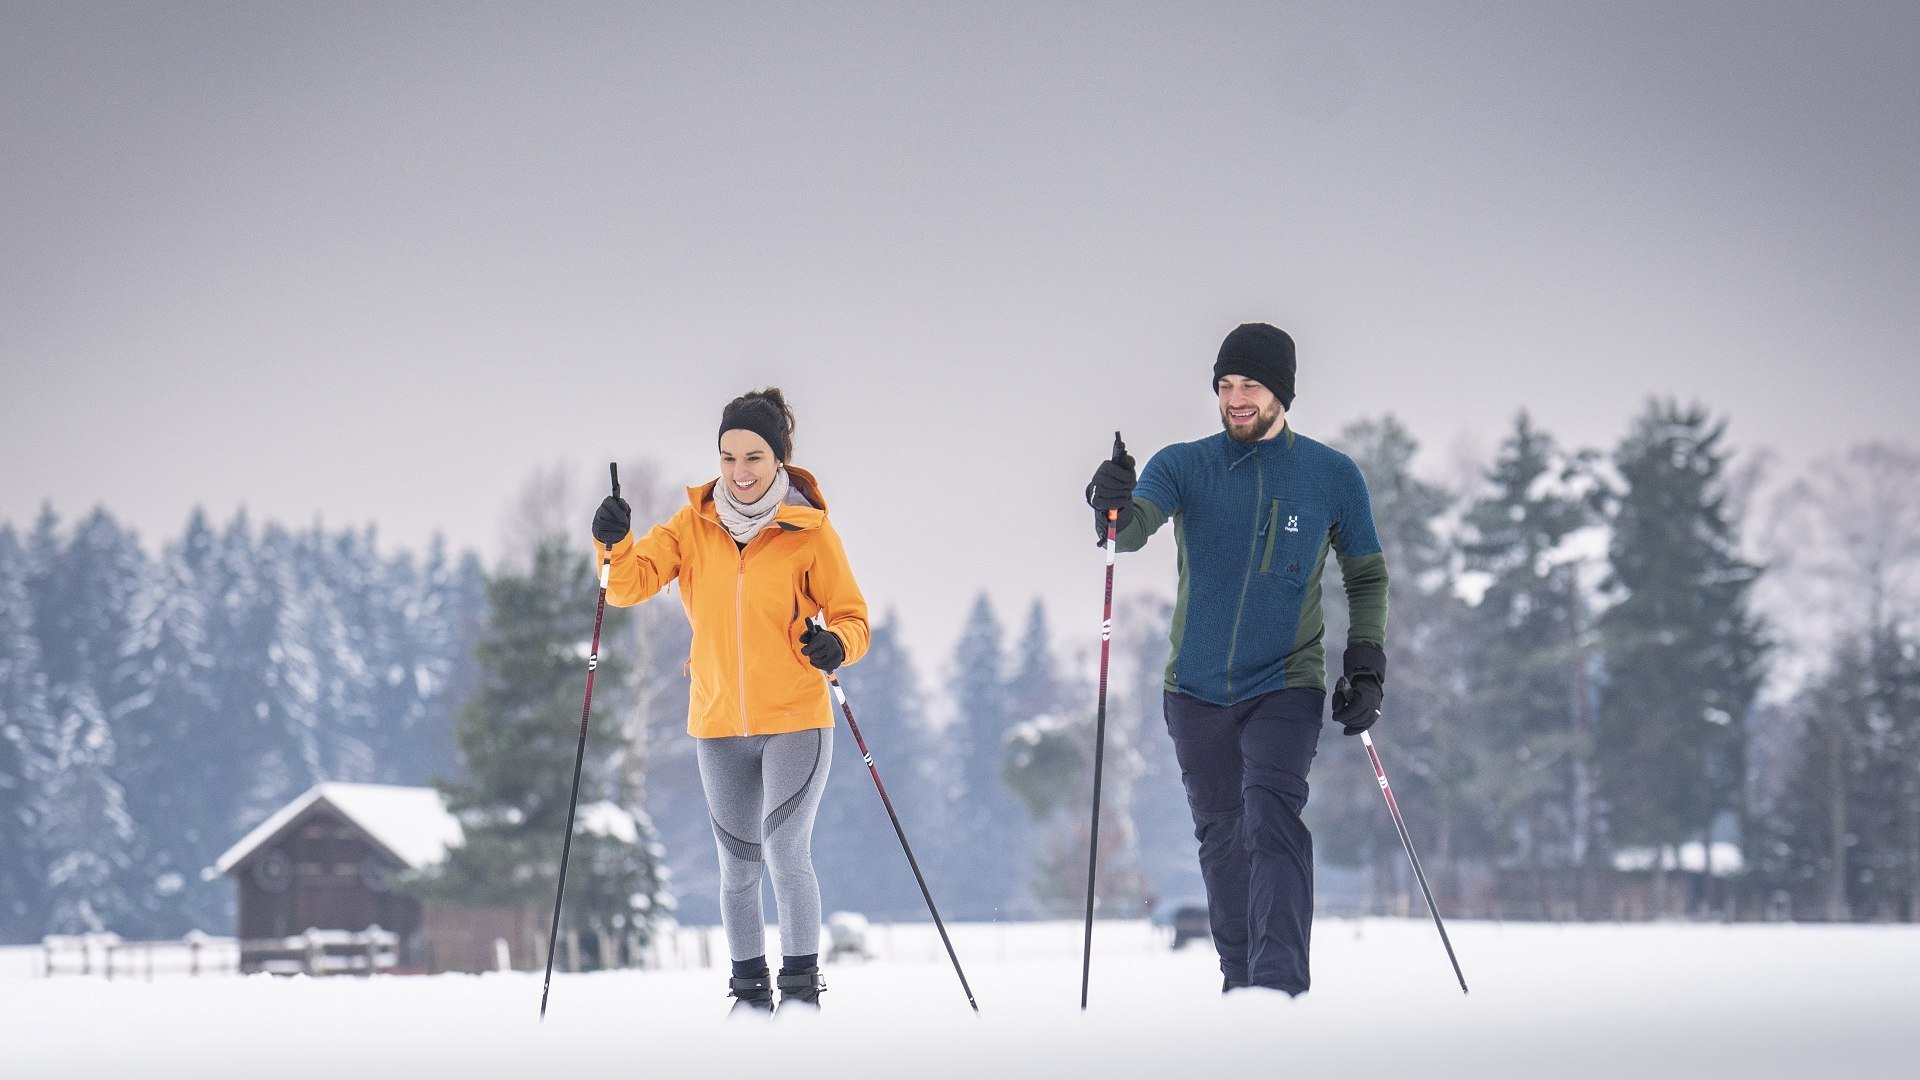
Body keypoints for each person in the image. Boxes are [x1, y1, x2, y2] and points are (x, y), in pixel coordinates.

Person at [1085, 323, 1388, 996]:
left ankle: (1278, 989)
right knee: (1223, 838)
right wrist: (1107, 501)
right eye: (1225, 385)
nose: (1236, 398)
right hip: (1193, 689)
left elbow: (1365, 574)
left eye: (1250, 384)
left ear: (1281, 391)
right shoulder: (1184, 465)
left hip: (1285, 682)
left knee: (1271, 817)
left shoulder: (1329, 476)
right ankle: (1242, 984)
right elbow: (1128, 532)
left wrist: (1365, 659)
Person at [591, 387, 869, 1014]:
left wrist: (837, 645)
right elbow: (627, 585)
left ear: (779, 460)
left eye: (754, 458)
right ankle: (748, 997)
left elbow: (853, 616)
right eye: (728, 458)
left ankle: (800, 994)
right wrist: (614, 541)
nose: (740, 473)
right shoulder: (692, 526)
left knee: (783, 847)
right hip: (717, 722)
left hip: (796, 717)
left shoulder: (809, 530)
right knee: (737, 858)